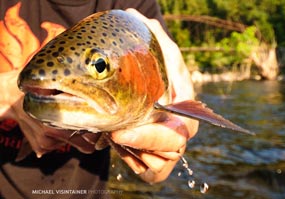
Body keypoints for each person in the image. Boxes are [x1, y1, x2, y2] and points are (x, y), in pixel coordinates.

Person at [0, 0, 198, 198]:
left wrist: (163, 152)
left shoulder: (135, 3)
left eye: (100, 67)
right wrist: (8, 95)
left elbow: (157, 173)